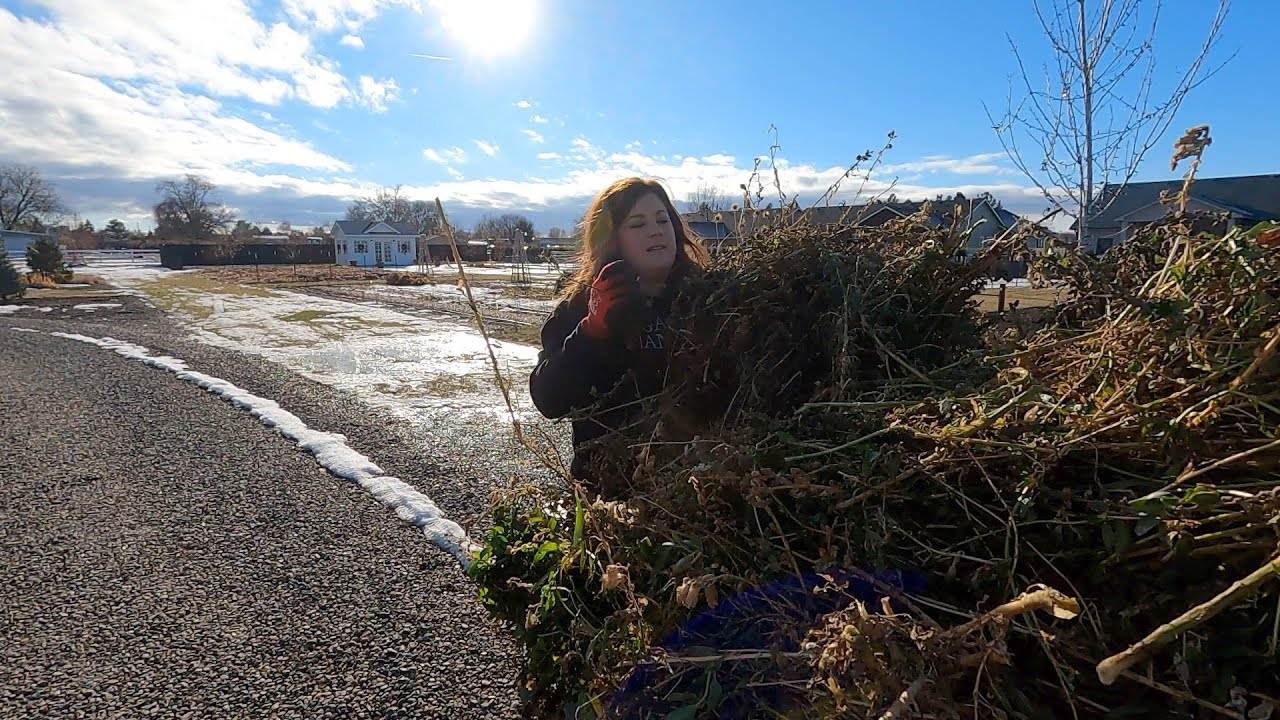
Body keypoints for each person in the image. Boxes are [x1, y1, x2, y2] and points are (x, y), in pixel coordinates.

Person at [529, 177, 710, 491]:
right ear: (613, 239)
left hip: (695, 489)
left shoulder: (709, 298)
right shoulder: (579, 306)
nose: (655, 230)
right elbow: (548, 399)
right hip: (609, 495)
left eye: (662, 219)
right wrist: (592, 331)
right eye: (637, 224)